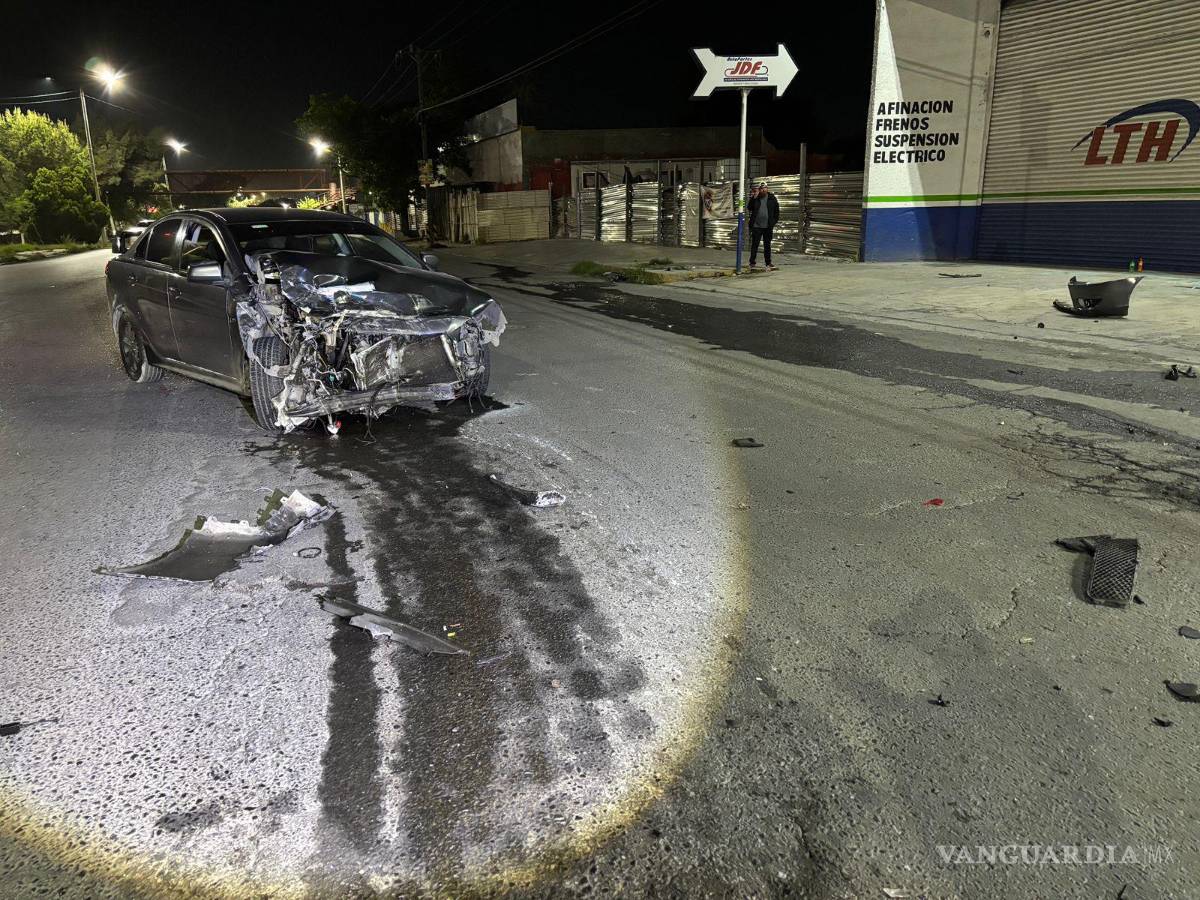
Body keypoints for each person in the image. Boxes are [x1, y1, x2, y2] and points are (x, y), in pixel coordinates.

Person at [747, 181, 780, 270]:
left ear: (767, 189)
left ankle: (768, 263)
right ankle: (752, 263)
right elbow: (749, 208)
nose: (763, 190)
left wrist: (773, 222)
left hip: (768, 226)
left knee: (767, 245)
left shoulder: (772, 198)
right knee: (755, 245)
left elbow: (777, 211)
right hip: (756, 226)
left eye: (764, 188)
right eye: (761, 189)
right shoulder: (756, 198)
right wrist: (754, 197)